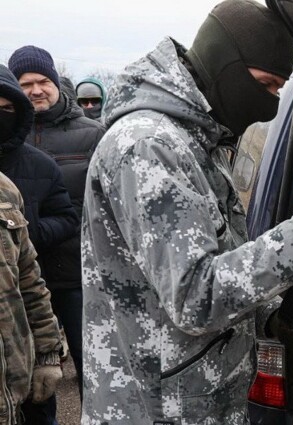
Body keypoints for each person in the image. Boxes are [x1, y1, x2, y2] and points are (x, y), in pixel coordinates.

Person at [79, 0, 293, 423]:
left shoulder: (199, 143)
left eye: (280, 89)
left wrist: (275, 317)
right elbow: (196, 298)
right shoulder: (148, 147)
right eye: (266, 85)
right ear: (224, 64)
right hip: (154, 410)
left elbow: (221, 260)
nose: (271, 104)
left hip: (195, 403)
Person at [8, 45, 105, 412]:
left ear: (55, 83)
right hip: (22, 282)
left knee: (94, 370)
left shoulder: (92, 134)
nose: (36, 90)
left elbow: (102, 206)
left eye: (42, 81)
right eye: (26, 83)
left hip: (77, 276)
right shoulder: (8, 138)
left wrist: (35, 232)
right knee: (37, 379)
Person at [0, 63, 65, 425]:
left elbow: (30, 283)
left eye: (6, 109)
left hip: (16, 393)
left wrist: (48, 356)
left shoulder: (7, 191)